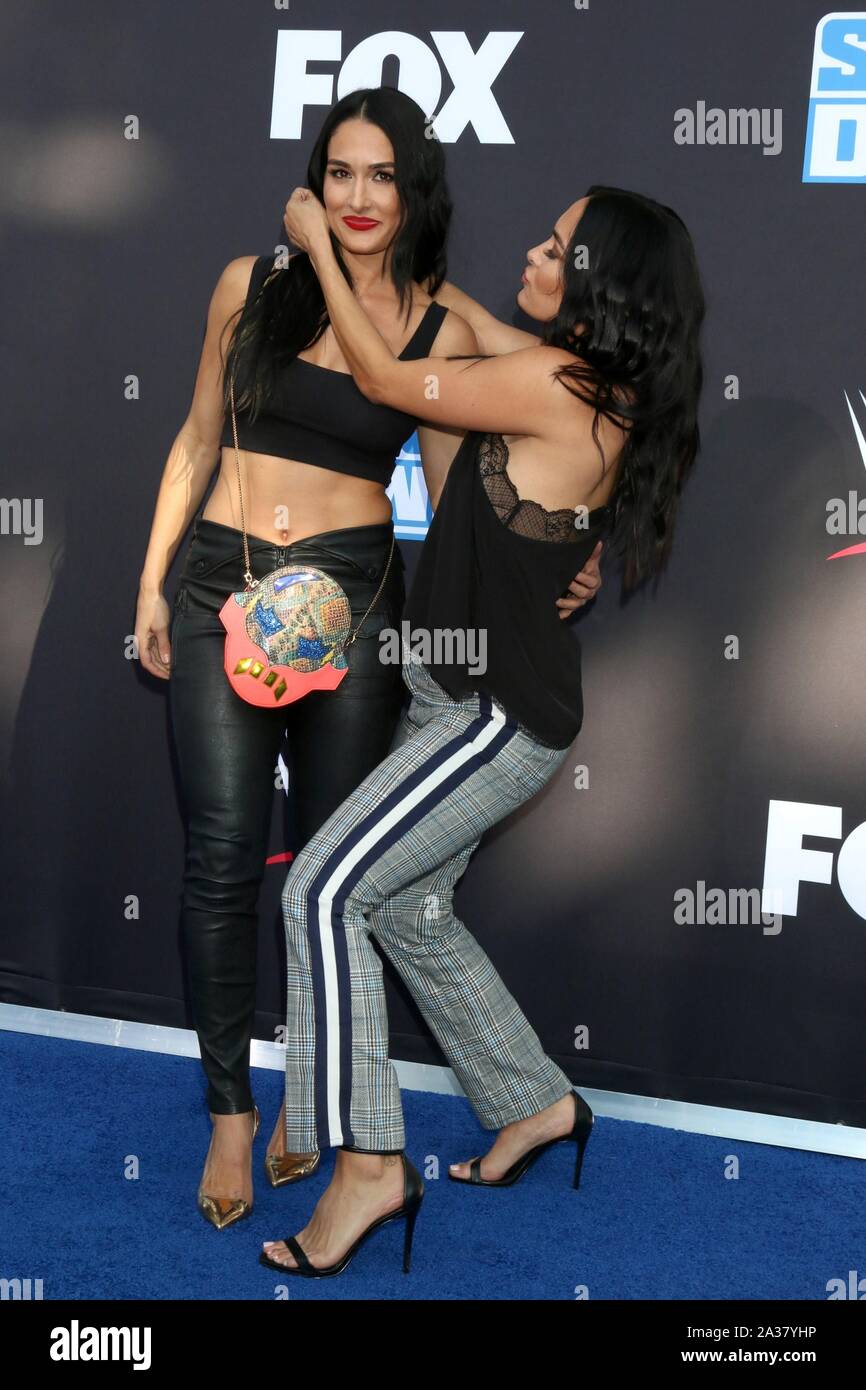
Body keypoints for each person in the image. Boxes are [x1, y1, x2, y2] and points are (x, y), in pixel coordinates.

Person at [134, 88, 602, 1230]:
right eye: (338, 172)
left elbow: (487, 477)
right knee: (219, 859)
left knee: (333, 873)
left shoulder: (441, 325)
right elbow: (198, 434)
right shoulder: (250, 284)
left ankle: (317, 1107)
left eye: (380, 175)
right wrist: (151, 580)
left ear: (413, 191)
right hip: (218, 587)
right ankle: (230, 1115)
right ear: (312, 181)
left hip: (357, 616)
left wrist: (561, 560)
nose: (356, 197)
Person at [259, 183, 705, 1277]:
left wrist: (319, 241)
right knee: (406, 907)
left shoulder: (557, 385)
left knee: (321, 888)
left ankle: (367, 1161)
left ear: (595, 284)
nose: (534, 251)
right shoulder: (587, 379)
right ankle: (533, 1101)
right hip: (458, 692)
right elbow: (473, 331)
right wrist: (412, 274)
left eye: (555, 247)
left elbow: (381, 374)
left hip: (495, 716)